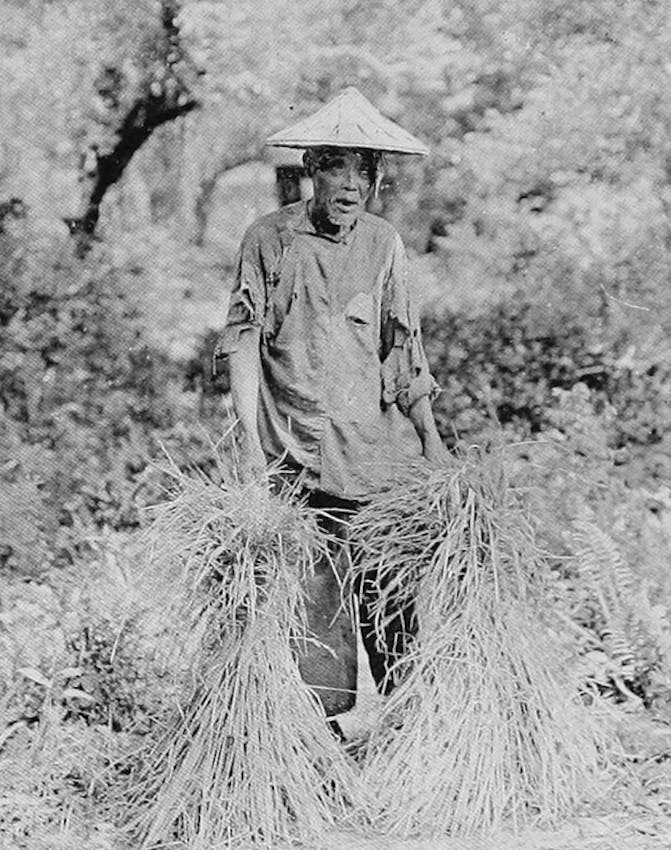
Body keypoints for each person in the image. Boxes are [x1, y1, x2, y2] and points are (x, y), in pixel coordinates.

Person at [215, 87, 447, 725]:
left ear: (376, 180)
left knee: (389, 586)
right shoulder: (270, 239)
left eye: (363, 170)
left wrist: (431, 443)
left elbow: (404, 347)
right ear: (311, 170)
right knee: (314, 594)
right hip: (292, 447)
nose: (350, 183)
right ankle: (317, 742)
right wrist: (249, 448)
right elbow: (243, 342)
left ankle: (408, 726)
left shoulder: (382, 244)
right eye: (336, 166)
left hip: (370, 453)